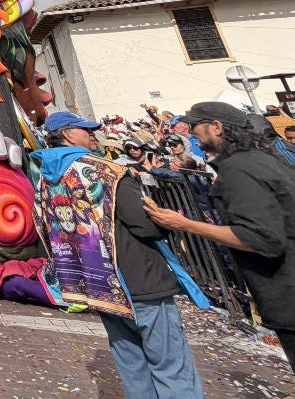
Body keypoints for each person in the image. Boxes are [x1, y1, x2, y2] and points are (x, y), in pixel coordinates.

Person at [33, 111, 206, 398]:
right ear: (66, 135)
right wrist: (170, 221)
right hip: (138, 278)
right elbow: (144, 224)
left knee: (131, 364)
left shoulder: (46, 179)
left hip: (96, 283)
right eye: (84, 129)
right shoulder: (106, 172)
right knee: (170, 363)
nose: (93, 134)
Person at [144, 101, 295, 372]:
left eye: (195, 127)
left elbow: (260, 238)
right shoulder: (264, 159)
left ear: (216, 127)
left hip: (287, 288)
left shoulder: (239, 169)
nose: (192, 134)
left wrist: (184, 224)